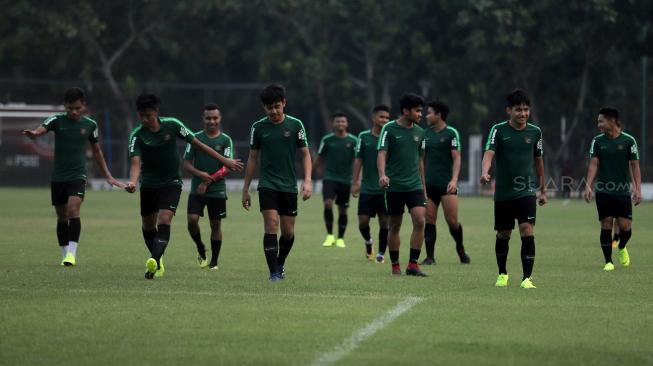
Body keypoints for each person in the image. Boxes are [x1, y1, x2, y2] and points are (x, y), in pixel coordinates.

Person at [124, 93, 243, 279]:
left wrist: (224, 160)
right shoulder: (137, 135)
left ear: (156, 112)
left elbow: (199, 145)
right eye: (142, 116)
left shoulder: (173, 125)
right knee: (148, 227)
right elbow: (135, 164)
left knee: (164, 219)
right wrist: (132, 181)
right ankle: (159, 260)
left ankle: (154, 261)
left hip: (171, 183)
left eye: (148, 115)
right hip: (148, 184)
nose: (145, 120)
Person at [22, 87, 123, 266]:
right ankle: (64, 254)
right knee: (62, 216)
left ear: (83, 105)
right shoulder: (57, 120)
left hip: (78, 175)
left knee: (73, 209)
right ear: (65, 106)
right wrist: (35, 134)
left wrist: (108, 175)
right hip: (59, 177)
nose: (74, 112)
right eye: (70, 108)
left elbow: (97, 151)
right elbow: (41, 130)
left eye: (77, 108)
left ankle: (71, 254)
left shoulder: (90, 125)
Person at [241, 84, 312, 281]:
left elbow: (306, 155)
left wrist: (307, 181)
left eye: (277, 106)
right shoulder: (258, 128)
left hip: (289, 186)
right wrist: (245, 188)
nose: (273, 111)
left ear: (284, 104)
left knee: (288, 233)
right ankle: (273, 273)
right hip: (267, 185)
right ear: (264, 107)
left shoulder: (295, 125)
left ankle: (280, 263)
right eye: (269, 107)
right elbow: (252, 158)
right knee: (271, 225)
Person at [480, 88, 546, 289]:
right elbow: (489, 153)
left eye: (526, 109)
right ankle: (502, 273)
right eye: (519, 110)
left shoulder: (535, 132)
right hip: (504, 193)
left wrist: (543, 189)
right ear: (509, 110)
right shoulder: (498, 130)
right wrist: (485, 171)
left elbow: (539, 161)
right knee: (504, 234)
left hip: (525, 190)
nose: (523, 114)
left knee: (527, 229)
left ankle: (527, 278)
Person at [583, 106, 641, 271]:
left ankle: (622, 246)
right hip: (603, 190)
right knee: (606, 224)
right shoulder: (597, 141)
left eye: (601, 121)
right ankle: (608, 261)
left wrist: (637, 189)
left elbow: (635, 166)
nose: (598, 124)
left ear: (612, 121)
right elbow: (594, 163)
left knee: (625, 228)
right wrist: (588, 185)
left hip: (622, 191)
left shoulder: (629, 141)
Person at [377, 93, 428, 277]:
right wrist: (382, 175)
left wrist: (424, 187)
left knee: (421, 220)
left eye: (421, 111)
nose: (420, 114)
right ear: (406, 111)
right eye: (417, 111)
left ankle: (413, 265)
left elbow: (420, 161)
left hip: (414, 185)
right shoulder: (389, 129)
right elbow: (382, 153)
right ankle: (395, 265)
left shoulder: (421, 133)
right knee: (395, 225)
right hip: (395, 186)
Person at [183, 103, 233, 270]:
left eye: (215, 118)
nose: (212, 121)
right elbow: (186, 163)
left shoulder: (226, 140)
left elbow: (227, 167)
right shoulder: (195, 138)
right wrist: (199, 175)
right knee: (192, 220)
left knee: (215, 225)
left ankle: (214, 262)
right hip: (197, 189)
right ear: (203, 119)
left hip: (217, 191)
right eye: (208, 118)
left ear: (220, 119)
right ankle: (200, 246)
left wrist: (208, 180)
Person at [421, 100, 470, 265]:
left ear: (438, 115)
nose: (426, 115)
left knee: (452, 221)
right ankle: (430, 257)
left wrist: (454, 180)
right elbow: (421, 160)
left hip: (447, 186)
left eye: (429, 113)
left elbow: (457, 158)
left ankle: (460, 249)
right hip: (429, 185)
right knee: (429, 219)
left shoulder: (451, 133)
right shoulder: (425, 134)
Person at [351, 105, 390, 263]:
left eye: (387, 118)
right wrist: (355, 182)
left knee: (384, 222)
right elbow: (358, 159)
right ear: (374, 118)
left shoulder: (390, 136)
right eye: (382, 117)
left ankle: (381, 253)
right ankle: (368, 241)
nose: (385, 120)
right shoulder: (363, 137)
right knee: (363, 222)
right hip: (367, 188)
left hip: (385, 189)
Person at [315, 113, 358, 248]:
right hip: (330, 177)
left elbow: (358, 161)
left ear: (346, 124)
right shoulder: (327, 140)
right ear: (333, 124)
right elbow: (320, 157)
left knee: (343, 209)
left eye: (342, 121)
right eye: (337, 121)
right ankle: (330, 236)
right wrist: (312, 173)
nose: (340, 124)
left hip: (346, 180)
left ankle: (340, 238)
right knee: (328, 203)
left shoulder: (353, 141)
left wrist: (357, 180)